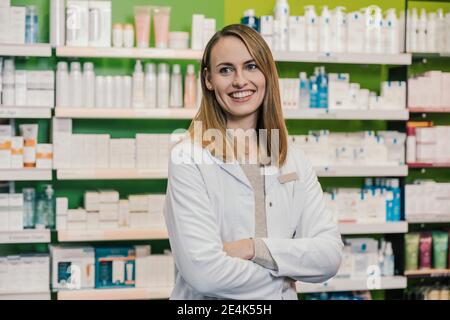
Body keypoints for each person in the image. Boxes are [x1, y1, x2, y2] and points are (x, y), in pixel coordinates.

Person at [163, 24, 343, 300]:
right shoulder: (189, 158)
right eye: (226, 70)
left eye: (251, 66)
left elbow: (329, 256)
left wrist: (253, 248)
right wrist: (285, 275)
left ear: (267, 74)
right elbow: (204, 273)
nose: (239, 81)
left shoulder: (293, 159)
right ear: (208, 79)